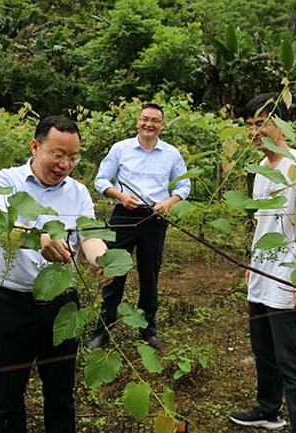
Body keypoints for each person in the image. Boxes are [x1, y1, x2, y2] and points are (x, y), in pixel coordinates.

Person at [0, 115, 109, 433]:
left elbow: (90, 235)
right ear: (36, 146)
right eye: (57, 154)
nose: (65, 164)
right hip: (11, 303)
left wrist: (102, 261)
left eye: (73, 157)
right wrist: (38, 238)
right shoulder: (5, 180)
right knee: (10, 392)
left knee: (61, 393)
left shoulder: (78, 192)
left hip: (62, 305)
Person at [229, 94, 296, 433]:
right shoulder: (261, 171)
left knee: (291, 359)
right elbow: (264, 223)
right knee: (263, 350)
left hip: (287, 275)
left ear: (280, 124)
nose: (254, 131)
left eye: (261, 122)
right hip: (262, 273)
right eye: (249, 125)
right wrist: (252, 263)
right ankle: (269, 410)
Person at [88, 103, 191, 351]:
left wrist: (168, 202)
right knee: (113, 271)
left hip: (154, 218)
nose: (149, 124)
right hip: (124, 215)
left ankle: (148, 331)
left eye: (155, 120)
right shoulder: (121, 149)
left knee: (150, 275)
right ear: (137, 121)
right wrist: (121, 197)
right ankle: (103, 330)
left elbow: (183, 187)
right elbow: (101, 180)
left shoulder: (171, 154)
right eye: (145, 119)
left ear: (162, 125)